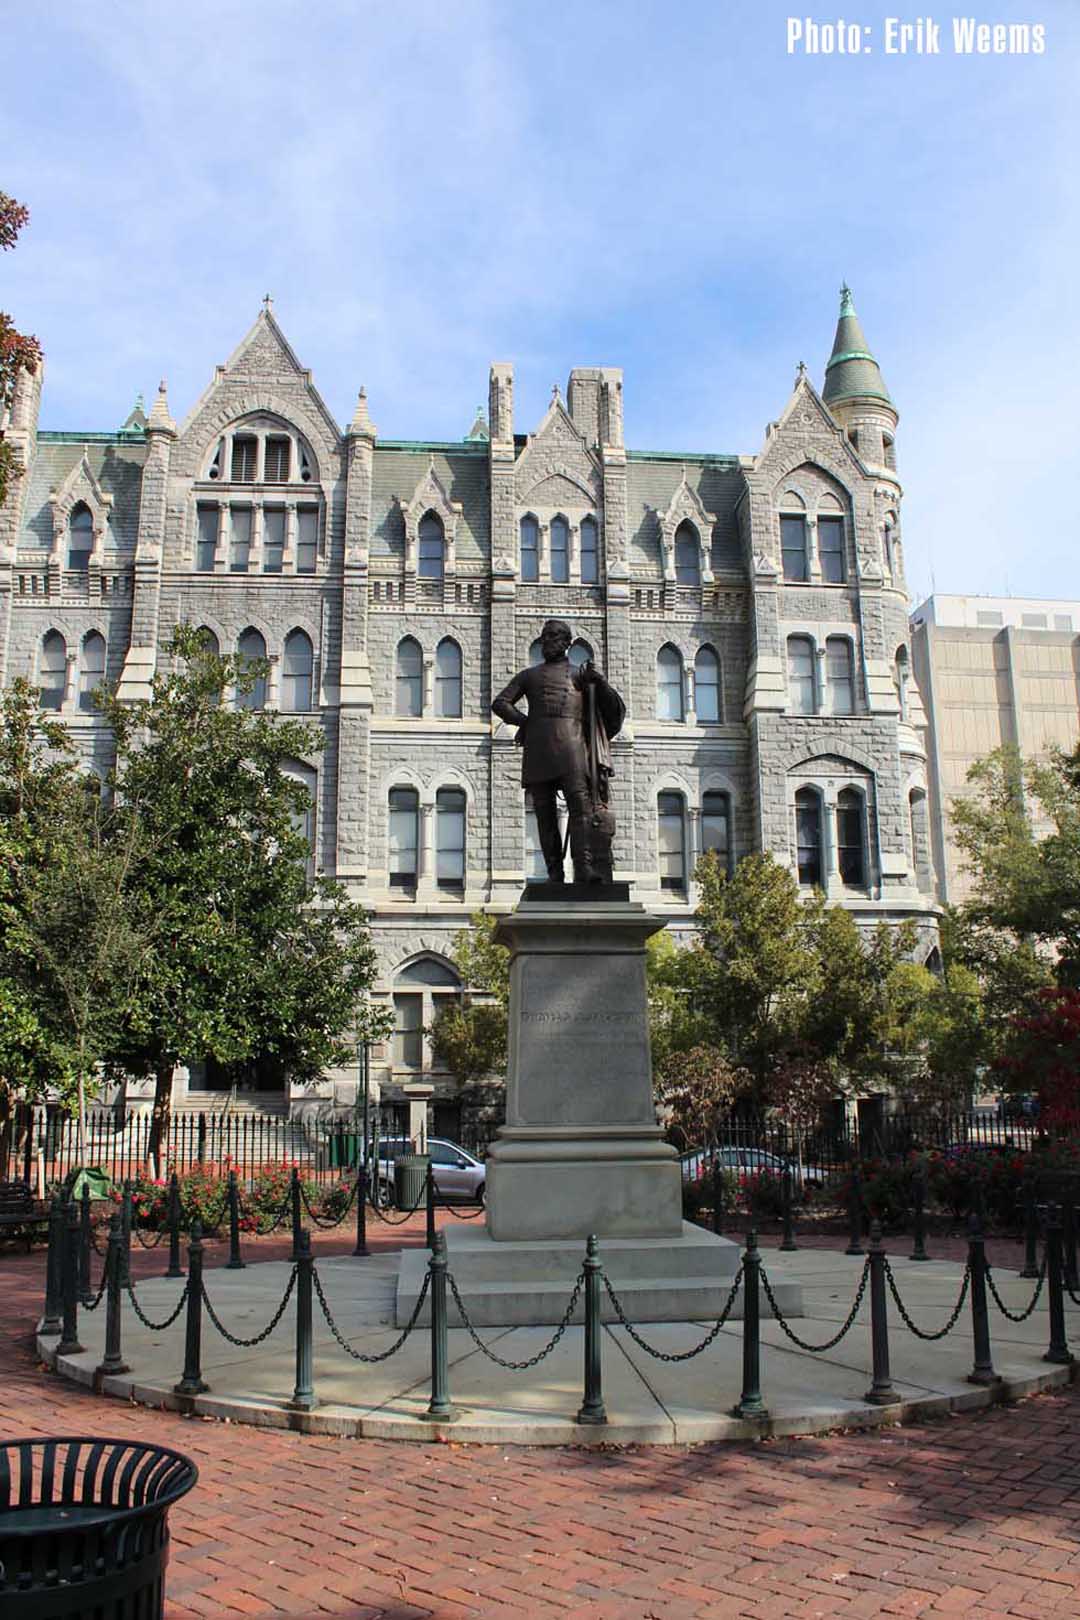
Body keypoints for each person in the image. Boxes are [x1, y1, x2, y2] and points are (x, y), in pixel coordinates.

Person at [491, 618, 625, 884]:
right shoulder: (529, 676)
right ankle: (554, 872)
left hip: (572, 748)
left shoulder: (580, 676)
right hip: (539, 751)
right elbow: (501, 703)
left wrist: (601, 684)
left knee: (581, 808)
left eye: (553, 637)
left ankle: (584, 867)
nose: (547, 642)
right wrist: (526, 722)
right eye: (544, 637)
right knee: (544, 813)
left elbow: (614, 711)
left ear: (566, 643)